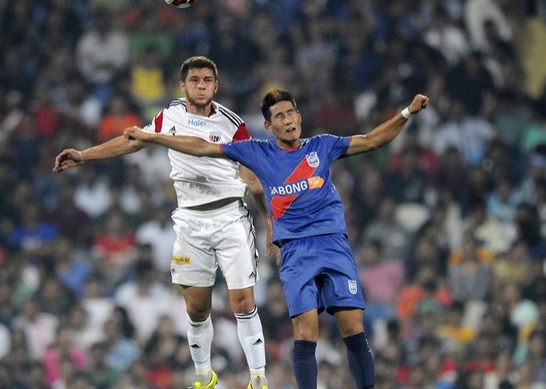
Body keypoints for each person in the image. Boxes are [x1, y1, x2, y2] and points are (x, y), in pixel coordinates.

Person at [125, 89, 430, 389]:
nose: (288, 120)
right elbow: (201, 147)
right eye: (279, 116)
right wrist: (154, 137)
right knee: (305, 331)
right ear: (269, 126)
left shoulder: (322, 145)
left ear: (299, 116)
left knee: (353, 328)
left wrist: (406, 113)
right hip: (295, 250)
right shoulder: (257, 152)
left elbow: (372, 140)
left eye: (291, 113)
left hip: (333, 244)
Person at [53, 56, 269, 389]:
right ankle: (204, 377)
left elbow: (251, 175)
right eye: (194, 80)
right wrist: (85, 155)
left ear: (216, 86)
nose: (201, 86)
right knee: (196, 308)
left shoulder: (232, 124)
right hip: (190, 220)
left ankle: (258, 377)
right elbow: (133, 140)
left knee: (242, 301)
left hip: (230, 216)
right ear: (182, 86)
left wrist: (269, 220)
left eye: (207, 80)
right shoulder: (170, 115)